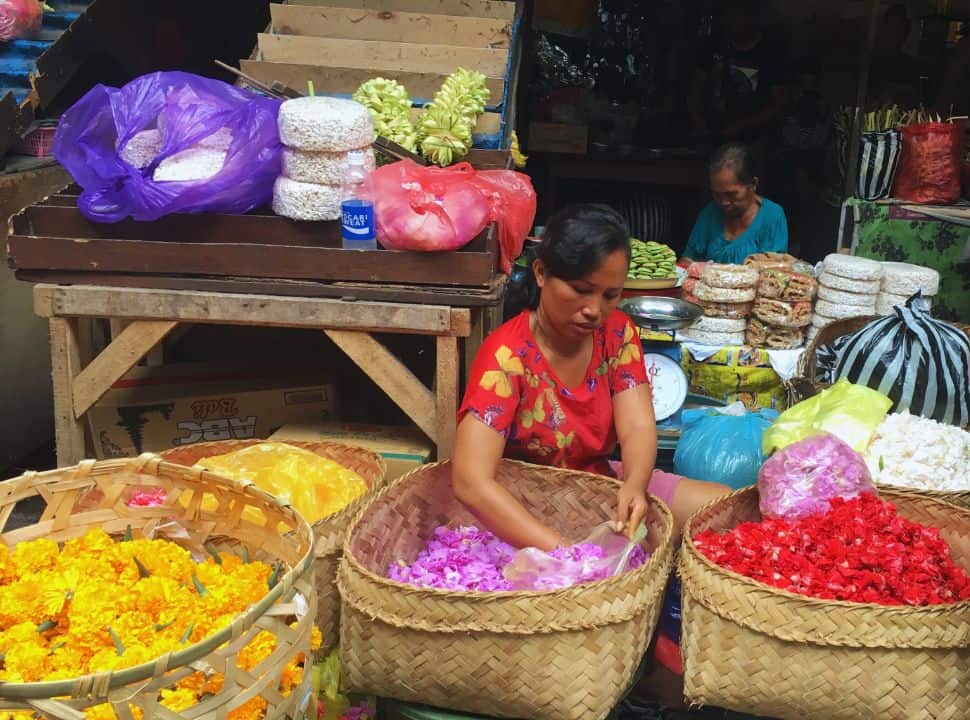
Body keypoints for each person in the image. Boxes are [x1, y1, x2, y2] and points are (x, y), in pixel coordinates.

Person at [453, 204, 730, 552]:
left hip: (598, 485)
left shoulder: (616, 334)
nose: (594, 310)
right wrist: (565, 554)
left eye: (610, 295)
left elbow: (638, 428)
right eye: (581, 289)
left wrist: (634, 485)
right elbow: (471, 481)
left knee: (723, 509)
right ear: (541, 273)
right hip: (527, 501)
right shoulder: (507, 357)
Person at [688, 0, 790, 144]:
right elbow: (696, 85)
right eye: (728, 15)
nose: (732, 22)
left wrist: (742, 125)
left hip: (757, 142)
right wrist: (696, 117)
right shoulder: (714, 44)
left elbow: (780, 105)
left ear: (751, 17)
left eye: (738, 15)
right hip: (713, 137)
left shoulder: (772, 52)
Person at [683, 143, 789, 265]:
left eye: (731, 194)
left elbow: (773, 272)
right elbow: (688, 261)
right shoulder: (709, 214)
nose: (724, 202)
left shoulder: (772, 217)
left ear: (753, 184)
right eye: (717, 194)